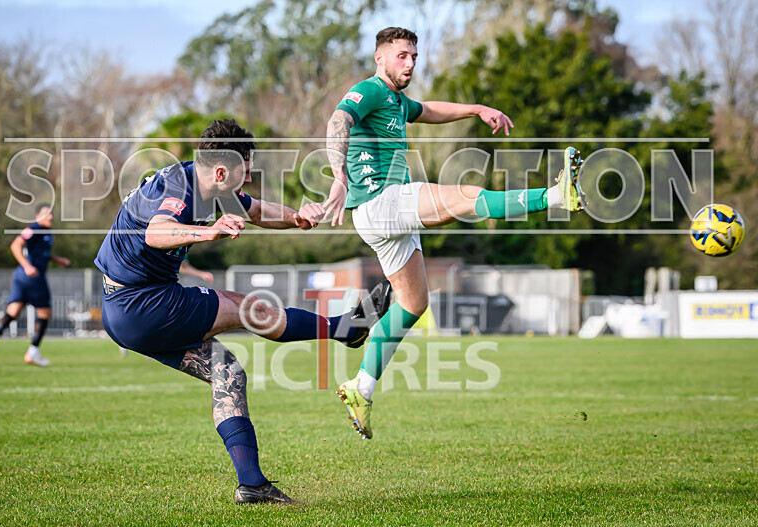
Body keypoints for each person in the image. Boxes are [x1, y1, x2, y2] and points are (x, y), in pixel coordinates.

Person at [94, 118, 392, 504]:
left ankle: (252, 484)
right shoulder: (178, 188)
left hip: (127, 309)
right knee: (242, 307)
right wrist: (210, 231)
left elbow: (256, 211)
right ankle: (345, 328)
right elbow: (156, 231)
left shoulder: (209, 184)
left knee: (228, 373)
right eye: (244, 172)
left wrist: (297, 218)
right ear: (221, 171)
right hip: (140, 303)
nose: (247, 180)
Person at [322, 27, 585, 439]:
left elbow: (429, 109)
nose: (409, 63)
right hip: (379, 202)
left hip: (382, 214)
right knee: (466, 197)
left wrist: (476, 108)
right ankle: (555, 196)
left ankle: (362, 387)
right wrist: (339, 176)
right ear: (380, 58)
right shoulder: (369, 90)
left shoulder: (395, 100)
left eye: (414, 56)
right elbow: (339, 120)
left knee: (413, 303)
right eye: (402, 56)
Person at [0, 203, 71, 367]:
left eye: (51, 214)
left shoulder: (46, 233)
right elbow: (16, 245)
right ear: (37, 216)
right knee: (45, 313)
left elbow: (41, 253)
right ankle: (33, 352)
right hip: (32, 277)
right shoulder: (34, 229)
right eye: (46, 214)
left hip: (21, 278)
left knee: (13, 312)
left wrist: (57, 259)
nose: (50, 217)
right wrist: (27, 266)